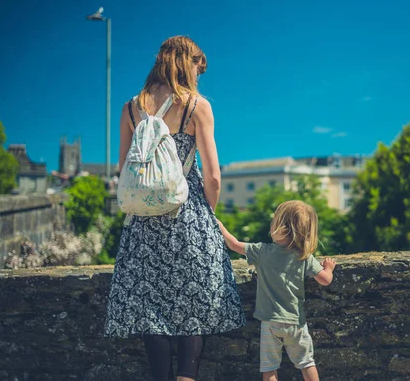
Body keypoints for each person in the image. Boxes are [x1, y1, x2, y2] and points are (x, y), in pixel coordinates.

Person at [104, 36, 246, 381]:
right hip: (189, 216)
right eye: (200, 67)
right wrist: (207, 216)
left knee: (152, 307)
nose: (200, 75)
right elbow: (212, 175)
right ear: (188, 62)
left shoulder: (130, 108)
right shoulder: (197, 106)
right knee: (193, 303)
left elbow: (124, 169)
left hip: (144, 221)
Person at [217, 200, 337, 381]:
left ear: (280, 226)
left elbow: (233, 244)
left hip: (270, 323)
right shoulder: (303, 256)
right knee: (306, 363)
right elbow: (325, 280)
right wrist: (328, 268)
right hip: (295, 322)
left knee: (270, 368)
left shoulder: (262, 252)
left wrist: (220, 226)